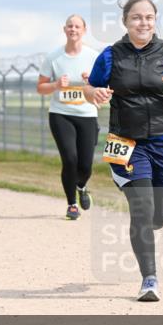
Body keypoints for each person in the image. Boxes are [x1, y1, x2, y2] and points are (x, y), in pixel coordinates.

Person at [84, 0, 163, 302]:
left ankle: (151, 230)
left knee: (157, 218)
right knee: (141, 208)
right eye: (136, 17)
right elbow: (89, 88)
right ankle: (149, 280)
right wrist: (94, 93)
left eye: (149, 17)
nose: (143, 22)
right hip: (125, 142)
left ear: (155, 21)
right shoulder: (110, 56)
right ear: (126, 21)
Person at [36, 15, 100, 220]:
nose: (73, 29)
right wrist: (56, 85)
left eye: (77, 26)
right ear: (64, 30)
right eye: (70, 26)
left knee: (86, 166)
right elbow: (40, 87)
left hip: (87, 115)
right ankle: (72, 204)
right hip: (61, 114)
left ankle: (81, 186)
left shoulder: (94, 57)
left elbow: (104, 86)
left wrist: (92, 82)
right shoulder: (53, 57)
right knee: (70, 159)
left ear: (84, 30)